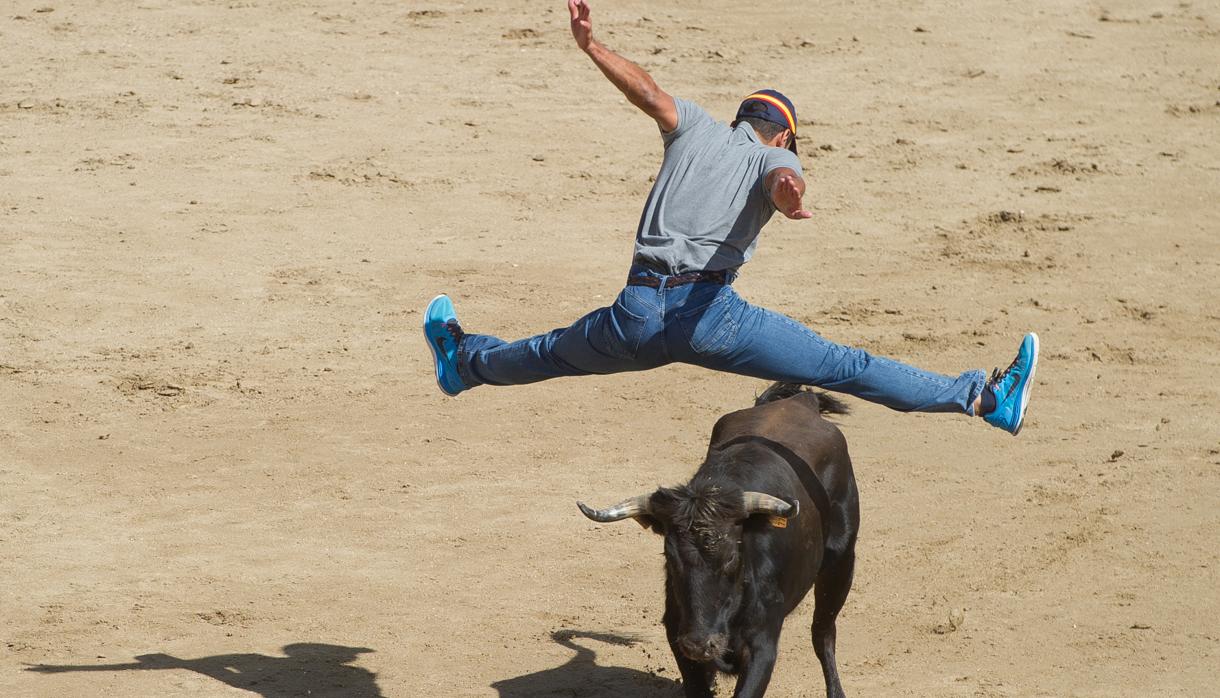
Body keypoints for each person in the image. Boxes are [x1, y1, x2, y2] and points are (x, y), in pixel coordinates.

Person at [423, 0, 1038, 435]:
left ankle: (465, 364)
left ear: (741, 116)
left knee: (549, 352)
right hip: (709, 320)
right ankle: (982, 400)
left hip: (635, 315)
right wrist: (790, 191)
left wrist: (592, 46)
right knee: (846, 367)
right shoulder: (777, 157)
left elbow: (647, 91)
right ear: (785, 135)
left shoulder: (692, 125)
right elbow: (779, 180)